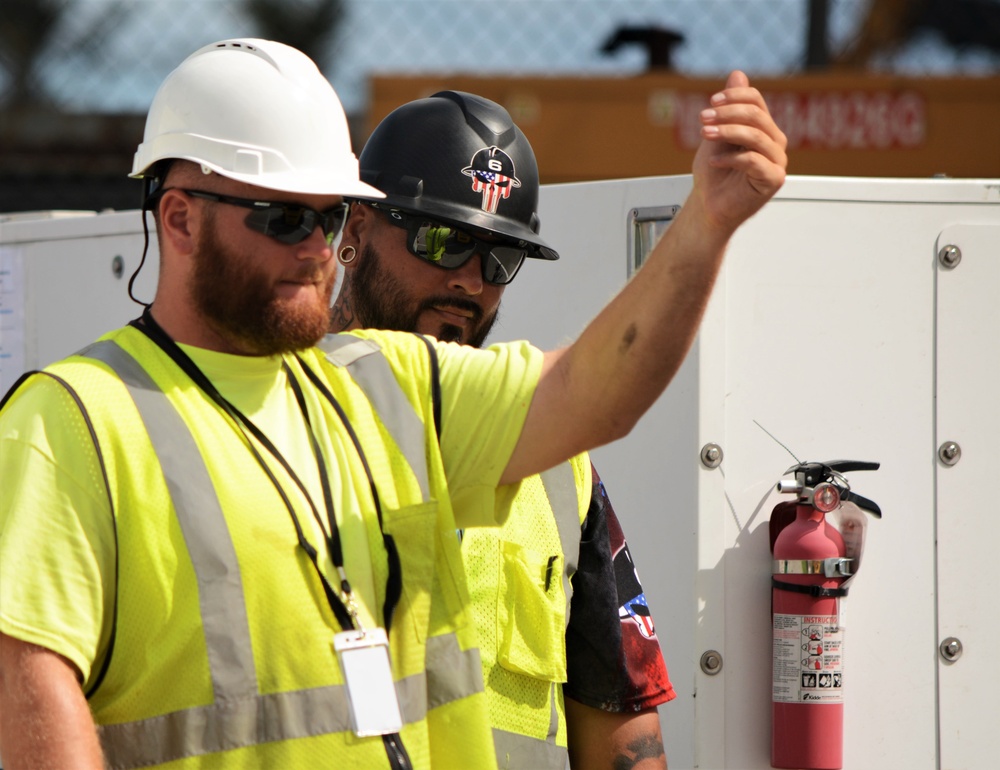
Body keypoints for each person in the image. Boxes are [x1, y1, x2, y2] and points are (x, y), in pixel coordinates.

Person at [0, 36, 787, 770]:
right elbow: (27, 699)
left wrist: (707, 222)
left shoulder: (391, 383)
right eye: (285, 218)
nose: (314, 246)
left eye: (328, 214)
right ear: (179, 219)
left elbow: (596, 393)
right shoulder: (71, 422)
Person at [329, 90, 675, 770]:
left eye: (498, 259)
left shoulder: (557, 466)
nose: (468, 281)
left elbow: (622, 726)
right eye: (443, 239)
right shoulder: (269, 413)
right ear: (356, 231)